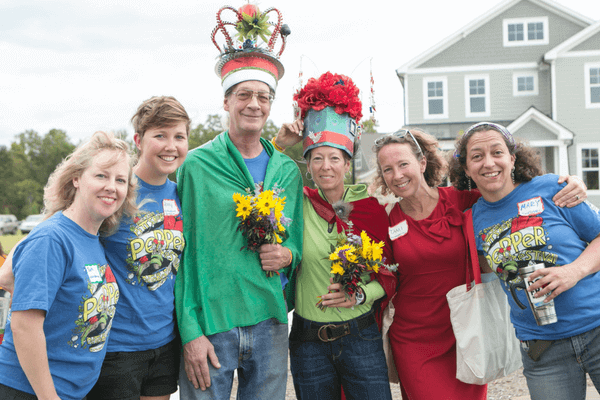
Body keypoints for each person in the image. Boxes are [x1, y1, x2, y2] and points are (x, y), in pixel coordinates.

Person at [372, 128, 587, 400]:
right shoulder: (386, 219)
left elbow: (510, 197)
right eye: (387, 169)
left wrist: (571, 182)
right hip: (414, 339)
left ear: (422, 163)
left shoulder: (465, 201)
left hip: (470, 329)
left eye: (403, 164)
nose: (397, 175)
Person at [175, 3, 302, 399]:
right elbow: (182, 251)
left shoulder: (287, 171)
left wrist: (288, 255)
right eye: (244, 94)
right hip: (211, 324)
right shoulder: (196, 166)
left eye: (263, 97)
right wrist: (190, 331)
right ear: (226, 102)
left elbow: (297, 242)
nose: (254, 104)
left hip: (269, 322)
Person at [448, 121, 600, 400]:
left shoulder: (552, 188)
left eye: (497, 152)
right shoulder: (474, 218)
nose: (489, 163)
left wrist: (573, 272)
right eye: (477, 156)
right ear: (467, 168)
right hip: (542, 348)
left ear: (512, 158)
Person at [274, 71, 397, 399]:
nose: (325, 166)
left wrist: (358, 295)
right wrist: (277, 144)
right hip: (307, 344)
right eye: (317, 158)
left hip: (361, 338)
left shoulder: (371, 209)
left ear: (346, 164)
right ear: (308, 166)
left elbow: (387, 275)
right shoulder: (297, 205)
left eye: (334, 158)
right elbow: (259, 181)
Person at [0, 131, 136, 400]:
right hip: (29, 390)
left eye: (121, 180)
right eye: (101, 175)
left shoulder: (93, 240)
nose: (112, 186)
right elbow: (25, 326)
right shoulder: (53, 239)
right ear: (76, 179)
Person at [87, 96, 190, 400]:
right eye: (160, 135)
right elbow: (62, 228)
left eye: (179, 136)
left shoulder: (182, 193)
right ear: (139, 140)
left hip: (164, 343)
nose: (170, 146)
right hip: (116, 348)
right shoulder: (116, 188)